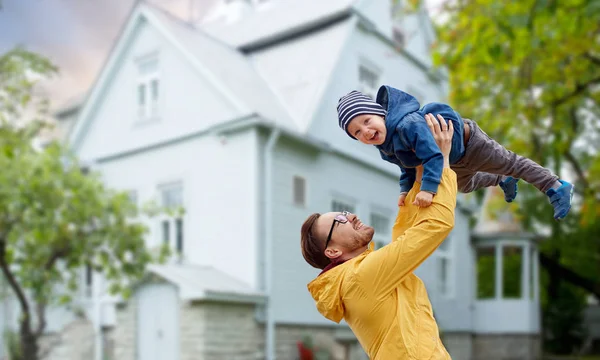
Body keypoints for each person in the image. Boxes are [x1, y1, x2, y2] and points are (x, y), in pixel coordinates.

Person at [301, 114, 456, 359]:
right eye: (339, 220)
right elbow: (435, 226)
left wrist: (419, 178)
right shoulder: (360, 278)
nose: (350, 215)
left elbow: (404, 237)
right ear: (333, 252)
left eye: (343, 211)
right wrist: (443, 163)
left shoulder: (363, 275)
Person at [336, 86, 574, 220]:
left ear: (380, 113)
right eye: (357, 133)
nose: (366, 131)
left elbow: (432, 157)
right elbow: (407, 167)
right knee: (464, 186)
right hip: (452, 159)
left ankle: (555, 186)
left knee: (511, 163)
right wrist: (405, 190)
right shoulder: (385, 146)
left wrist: (428, 190)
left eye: (367, 121)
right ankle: (501, 179)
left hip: (469, 144)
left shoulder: (408, 124)